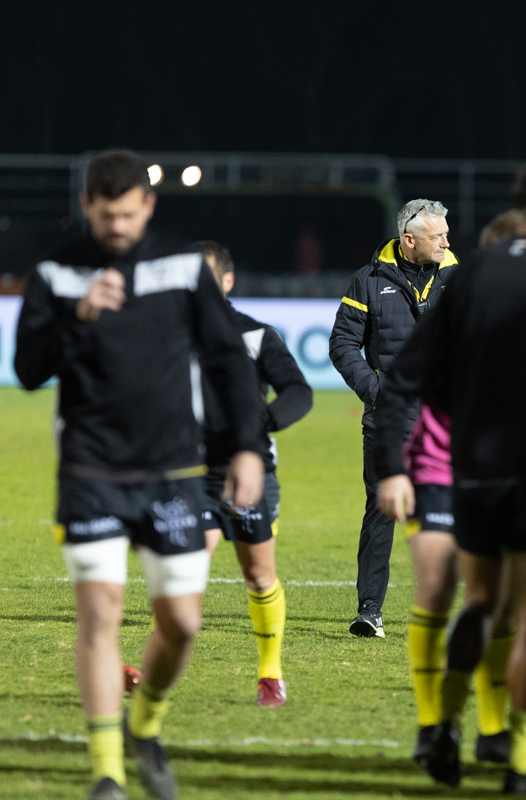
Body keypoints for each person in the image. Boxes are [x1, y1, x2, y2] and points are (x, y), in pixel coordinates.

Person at [14, 149, 264, 800]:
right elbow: (29, 368)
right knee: (99, 614)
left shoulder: (182, 267)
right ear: (87, 207)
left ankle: (144, 723)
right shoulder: (56, 273)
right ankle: (106, 773)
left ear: (147, 206)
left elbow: (228, 359)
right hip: (90, 470)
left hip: (174, 472)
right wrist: (79, 315)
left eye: (128, 214)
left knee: (181, 622)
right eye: (106, 214)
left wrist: (244, 448)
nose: (118, 226)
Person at [373, 164, 526, 793]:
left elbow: (405, 376)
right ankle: (522, 764)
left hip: (473, 474)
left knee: (479, 604)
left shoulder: (472, 274)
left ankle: (441, 725)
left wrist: (391, 465)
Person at [402, 210, 526, 770]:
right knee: (437, 591)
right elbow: (397, 393)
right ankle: (433, 724)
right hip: (435, 472)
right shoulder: (449, 319)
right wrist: (389, 470)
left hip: (498, 479)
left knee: (497, 608)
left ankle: (489, 732)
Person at [329, 198, 458, 638]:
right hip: (389, 419)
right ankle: (370, 611)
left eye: (445, 233)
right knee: (383, 510)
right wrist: (380, 393)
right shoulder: (368, 281)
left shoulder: (461, 279)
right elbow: (343, 344)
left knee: (449, 512)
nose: (446, 241)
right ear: (409, 240)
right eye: (437, 235)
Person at [193, 241, 313, 708]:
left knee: (259, 577)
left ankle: (270, 672)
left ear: (227, 282)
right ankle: (155, 669)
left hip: (250, 471)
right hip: (192, 474)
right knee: (185, 571)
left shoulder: (257, 335)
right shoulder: (167, 335)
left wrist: (258, 424)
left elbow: (298, 391)